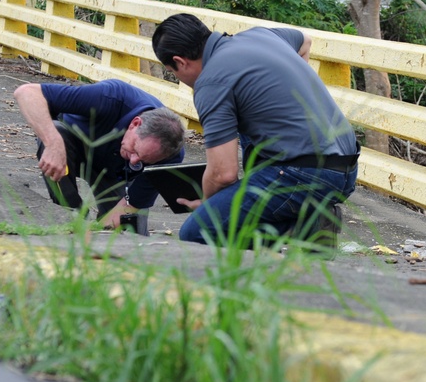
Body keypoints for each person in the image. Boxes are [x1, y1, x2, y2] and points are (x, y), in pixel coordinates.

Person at [151, 13, 360, 246]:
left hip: (303, 176)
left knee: (199, 231)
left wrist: (210, 207)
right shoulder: (262, 35)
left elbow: (223, 174)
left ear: (180, 62)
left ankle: (306, 228)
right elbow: (305, 40)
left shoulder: (211, 83)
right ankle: (309, 221)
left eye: (173, 72)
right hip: (347, 170)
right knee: (246, 111)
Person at [14, 78, 185, 228]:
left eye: (143, 161)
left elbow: (131, 204)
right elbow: (26, 92)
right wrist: (53, 143)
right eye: (135, 151)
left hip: (114, 174)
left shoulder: (171, 155)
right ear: (135, 124)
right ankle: (70, 214)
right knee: (57, 133)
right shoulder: (110, 96)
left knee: (130, 233)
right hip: (72, 151)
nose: (134, 161)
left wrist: (97, 234)